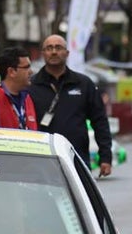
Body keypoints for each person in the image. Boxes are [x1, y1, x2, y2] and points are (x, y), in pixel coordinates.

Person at [28, 34, 113, 177]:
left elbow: (100, 121)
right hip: (41, 158)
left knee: (78, 198)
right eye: (49, 48)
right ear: (43, 54)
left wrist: (105, 157)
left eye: (58, 47)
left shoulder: (84, 84)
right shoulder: (30, 86)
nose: (54, 52)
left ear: (67, 53)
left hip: (76, 157)